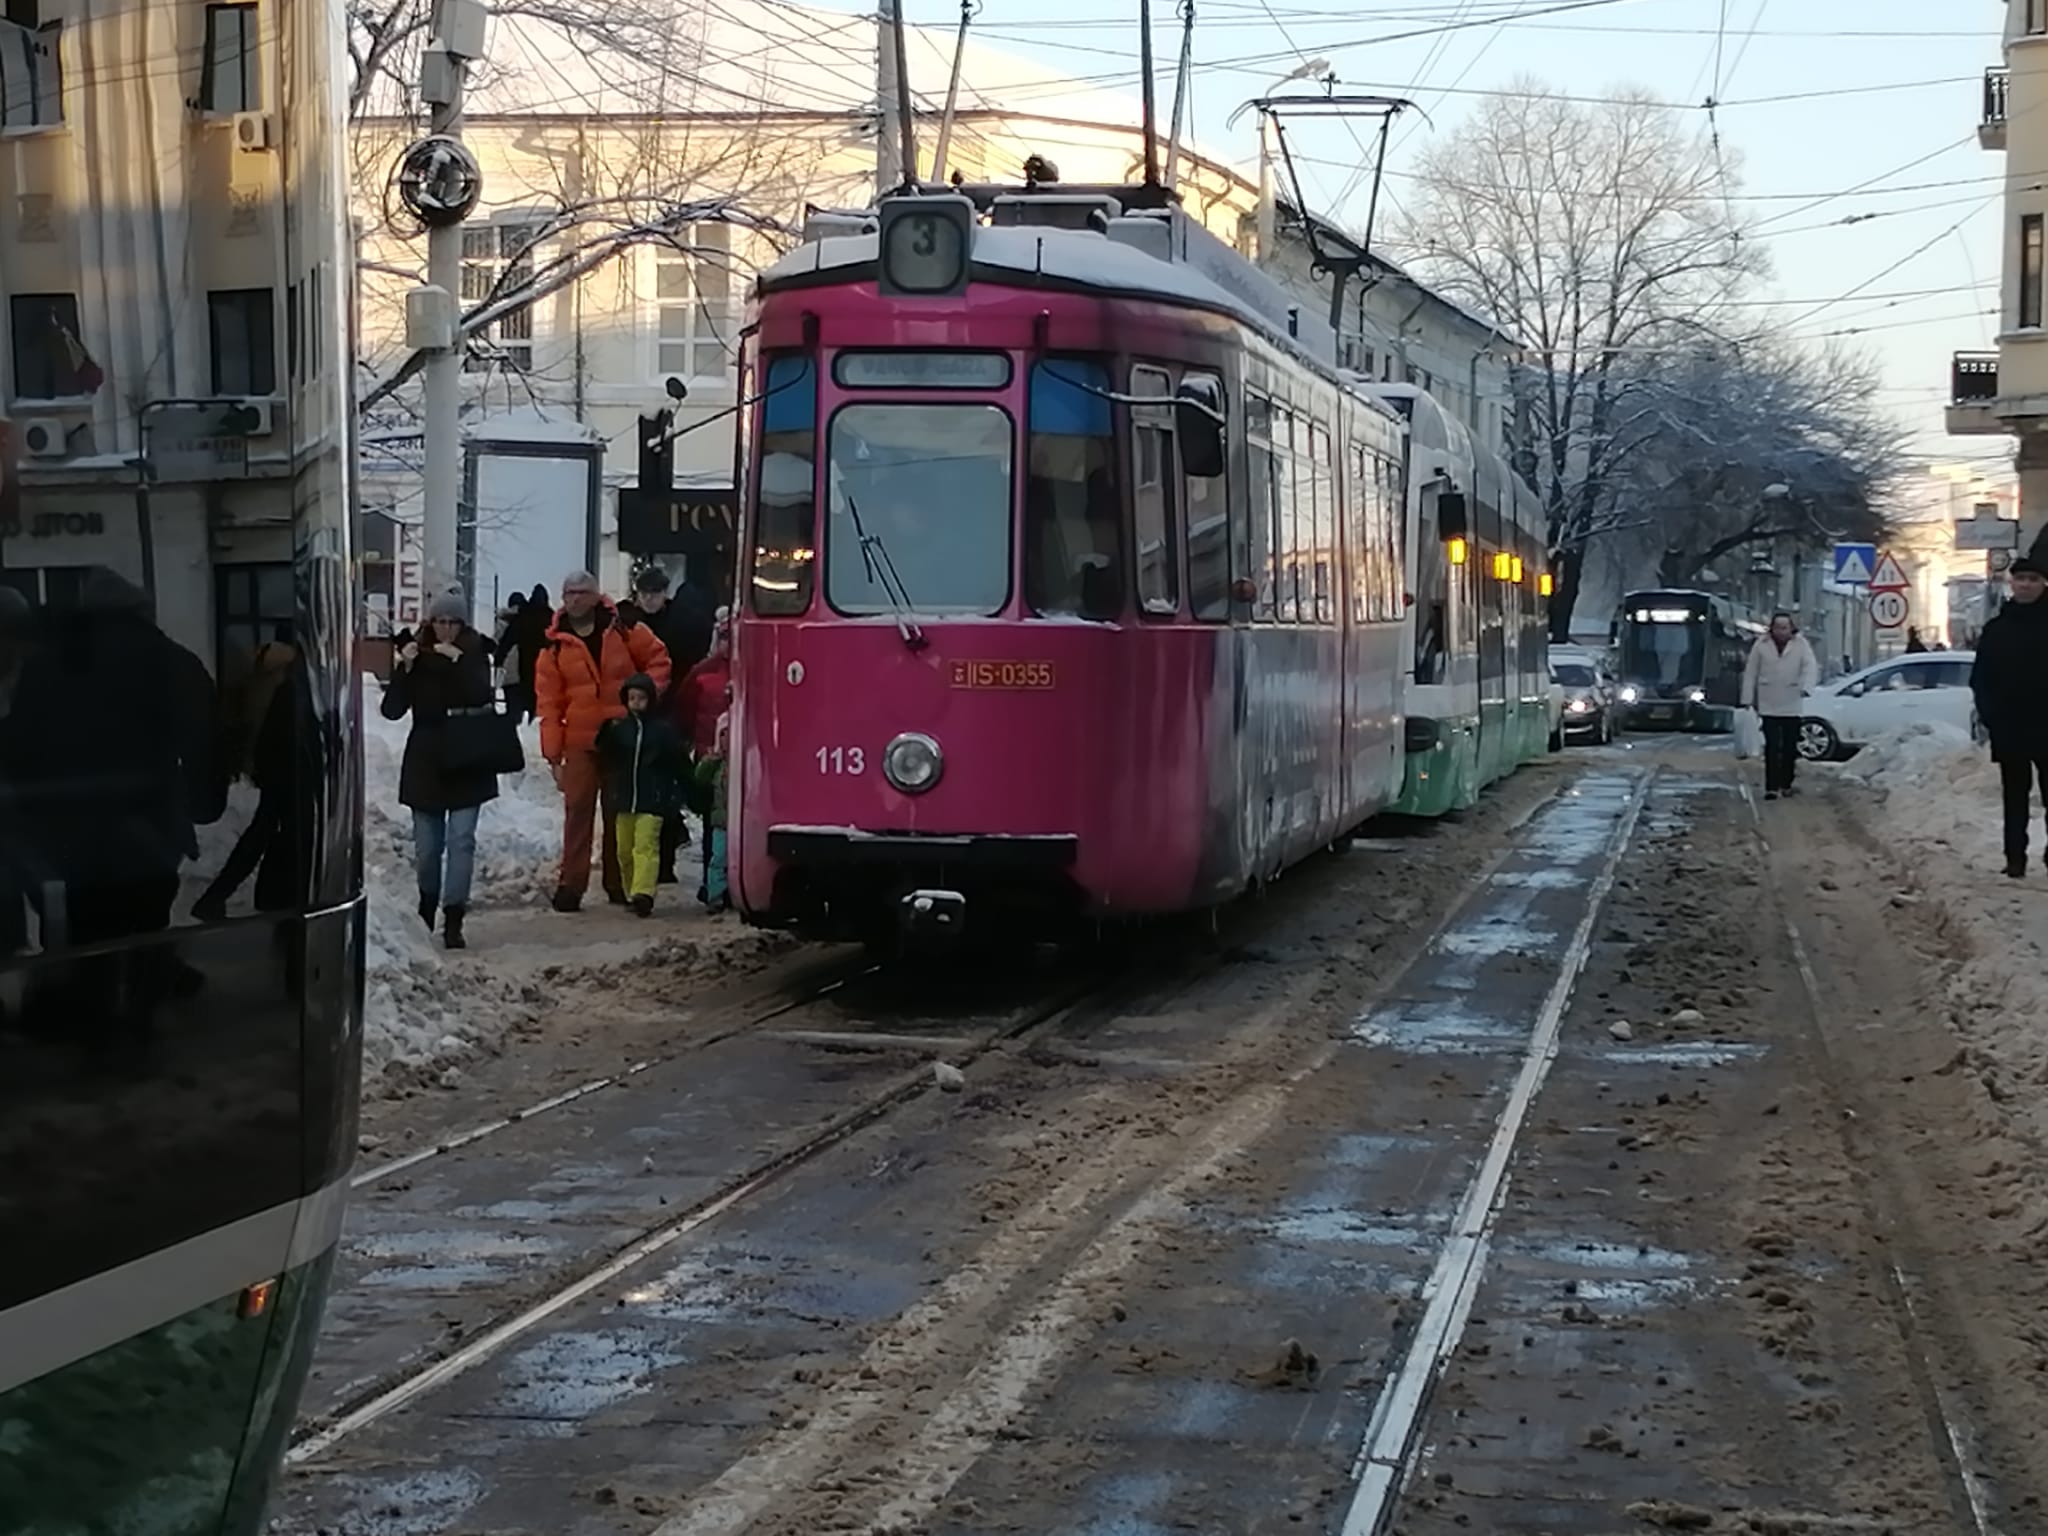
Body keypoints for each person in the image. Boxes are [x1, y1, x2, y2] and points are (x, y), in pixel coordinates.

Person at [535, 570, 671, 912]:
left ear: (596, 596)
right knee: (578, 811)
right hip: (579, 739)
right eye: (569, 593)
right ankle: (571, 884)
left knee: (620, 810)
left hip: (621, 737)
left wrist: (643, 698)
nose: (575, 599)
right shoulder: (554, 645)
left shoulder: (623, 628)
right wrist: (553, 755)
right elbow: (548, 704)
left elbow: (659, 659)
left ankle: (618, 881)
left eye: (582, 592)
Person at [378, 593, 499, 948]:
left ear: (463, 625)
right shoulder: (419, 654)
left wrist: (460, 662)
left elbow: (482, 696)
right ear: (430, 623)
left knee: (462, 841)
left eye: (453, 622)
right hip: (426, 757)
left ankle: (454, 916)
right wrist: (406, 668)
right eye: (440, 622)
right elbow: (391, 710)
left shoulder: (475, 652)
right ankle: (426, 906)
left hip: (467, 752)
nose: (446, 629)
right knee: (427, 847)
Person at [192, 625, 303, 922]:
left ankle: (222, 897)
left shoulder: (261, 668)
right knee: (273, 836)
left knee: (266, 833)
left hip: (270, 767)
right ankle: (258, 899)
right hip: (288, 771)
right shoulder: (291, 678)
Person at [619, 566, 712, 882]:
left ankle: (666, 859)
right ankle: (651, 857)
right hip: (640, 713)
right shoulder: (631, 623)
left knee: (666, 788)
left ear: (664, 594)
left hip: (670, 713)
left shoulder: (679, 623)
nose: (649, 599)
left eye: (654, 594)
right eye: (645, 594)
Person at [1971, 557, 2048, 879]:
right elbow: (1981, 678)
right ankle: (2014, 858)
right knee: (2014, 798)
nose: (2026, 585)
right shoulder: (1997, 629)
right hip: (2011, 728)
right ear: (2012, 584)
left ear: (2044, 583)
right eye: (2021, 579)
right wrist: (1992, 717)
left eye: (2033, 579)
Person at [595, 673, 691, 917]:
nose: (636, 702)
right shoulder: (620, 730)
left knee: (645, 847)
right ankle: (631, 892)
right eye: (632, 698)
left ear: (651, 700)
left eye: (641, 698)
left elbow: (677, 763)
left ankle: (643, 893)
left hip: (652, 799)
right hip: (625, 799)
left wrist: (677, 792)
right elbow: (607, 758)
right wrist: (604, 736)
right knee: (624, 850)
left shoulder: (662, 732)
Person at [1741, 612, 1819, 801]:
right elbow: (1751, 672)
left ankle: (1786, 783)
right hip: (1769, 703)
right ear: (1772, 628)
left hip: (1792, 702)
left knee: (1790, 747)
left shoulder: (1801, 645)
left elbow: (1810, 667)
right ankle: (1771, 787)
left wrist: (1806, 687)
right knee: (1772, 746)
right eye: (1778, 627)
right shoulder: (1761, 645)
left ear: (1791, 628)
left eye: (1785, 627)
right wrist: (1747, 698)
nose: (1781, 631)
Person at [670, 607, 732, 758]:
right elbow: (685, 708)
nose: (729, 642)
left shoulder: (759, 671)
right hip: (708, 756)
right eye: (724, 637)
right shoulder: (701, 671)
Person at [693, 705, 732, 914]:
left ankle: (732, 894)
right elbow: (699, 778)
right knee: (718, 859)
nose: (728, 739)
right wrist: (710, 759)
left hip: (742, 824)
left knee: (734, 862)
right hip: (720, 821)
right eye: (724, 734)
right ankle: (715, 894)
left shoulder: (745, 760)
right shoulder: (716, 764)